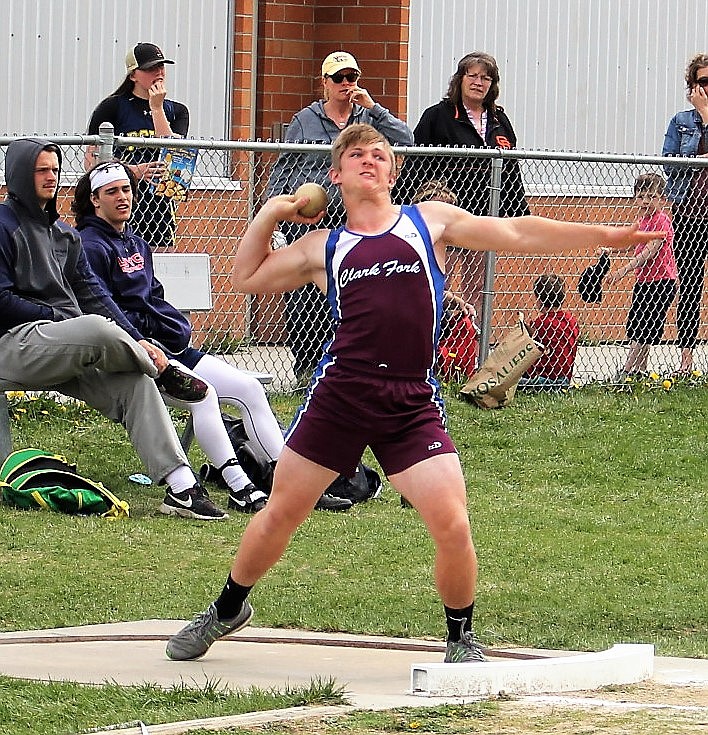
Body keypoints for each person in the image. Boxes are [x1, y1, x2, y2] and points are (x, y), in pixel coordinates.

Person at [165, 124, 661, 664]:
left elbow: (517, 232)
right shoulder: (323, 246)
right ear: (335, 175)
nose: (370, 161)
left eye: (380, 154)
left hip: (410, 402)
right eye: (356, 155)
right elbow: (245, 278)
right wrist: (271, 212)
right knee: (282, 512)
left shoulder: (429, 222)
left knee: (452, 521)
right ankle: (228, 607)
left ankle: (461, 636)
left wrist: (605, 237)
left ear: (393, 171)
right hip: (341, 396)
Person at [73, 160, 351, 514]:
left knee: (249, 387)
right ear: (95, 200)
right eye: (111, 192)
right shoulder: (90, 245)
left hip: (173, 347)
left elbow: (153, 297)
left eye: (126, 189)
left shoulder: (136, 244)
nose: (122, 197)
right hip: (139, 355)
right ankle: (240, 487)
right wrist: (148, 336)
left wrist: (171, 325)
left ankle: (290, 484)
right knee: (206, 395)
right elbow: (103, 309)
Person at [0, 138, 226, 521]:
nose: (51, 177)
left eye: (55, 170)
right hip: (14, 342)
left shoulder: (63, 234)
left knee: (133, 383)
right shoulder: (3, 225)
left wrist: (137, 339)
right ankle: (164, 369)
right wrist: (63, 322)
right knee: (97, 330)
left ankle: (181, 486)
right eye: (41, 170)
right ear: (20, 174)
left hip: (69, 343)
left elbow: (96, 296)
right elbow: (2, 301)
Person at [265, 50, 414, 384]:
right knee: (305, 292)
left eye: (351, 78)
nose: (346, 84)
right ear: (326, 83)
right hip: (311, 218)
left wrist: (374, 107)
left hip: (354, 221)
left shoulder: (369, 117)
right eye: (339, 78)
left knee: (353, 290)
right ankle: (306, 365)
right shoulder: (306, 119)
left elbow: (406, 139)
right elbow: (286, 165)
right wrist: (276, 211)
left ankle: (347, 363)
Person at [401, 52, 530, 320]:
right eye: (472, 75)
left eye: (485, 77)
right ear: (460, 80)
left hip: (482, 216)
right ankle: (437, 341)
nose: (478, 82)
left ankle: (469, 345)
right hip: (444, 216)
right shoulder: (437, 116)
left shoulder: (499, 121)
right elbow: (415, 164)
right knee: (439, 284)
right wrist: (402, 204)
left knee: (477, 290)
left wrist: (520, 213)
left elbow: (510, 171)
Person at [84, 42, 189, 250]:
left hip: (159, 207)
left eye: (161, 67)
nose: (158, 73)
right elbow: (91, 162)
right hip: (119, 200)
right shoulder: (112, 107)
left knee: (159, 266)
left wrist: (157, 108)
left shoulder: (177, 111)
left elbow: (173, 154)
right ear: (133, 75)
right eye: (150, 68)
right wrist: (133, 172)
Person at [603, 173, 677, 378]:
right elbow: (634, 244)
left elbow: (649, 251)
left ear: (662, 198)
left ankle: (627, 370)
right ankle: (640, 370)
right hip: (644, 281)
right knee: (637, 325)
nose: (646, 201)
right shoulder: (641, 221)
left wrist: (622, 271)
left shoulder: (661, 221)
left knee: (644, 328)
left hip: (662, 282)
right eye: (642, 195)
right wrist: (612, 250)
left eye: (652, 196)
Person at [662, 53, 708, 374]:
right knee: (689, 285)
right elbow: (668, 163)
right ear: (691, 86)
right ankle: (686, 362)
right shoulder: (680, 121)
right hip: (689, 212)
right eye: (703, 82)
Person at [518, 274, 579, 390]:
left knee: (513, 382)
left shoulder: (542, 323)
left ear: (540, 301)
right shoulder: (571, 320)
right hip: (564, 378)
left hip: (544, 379)